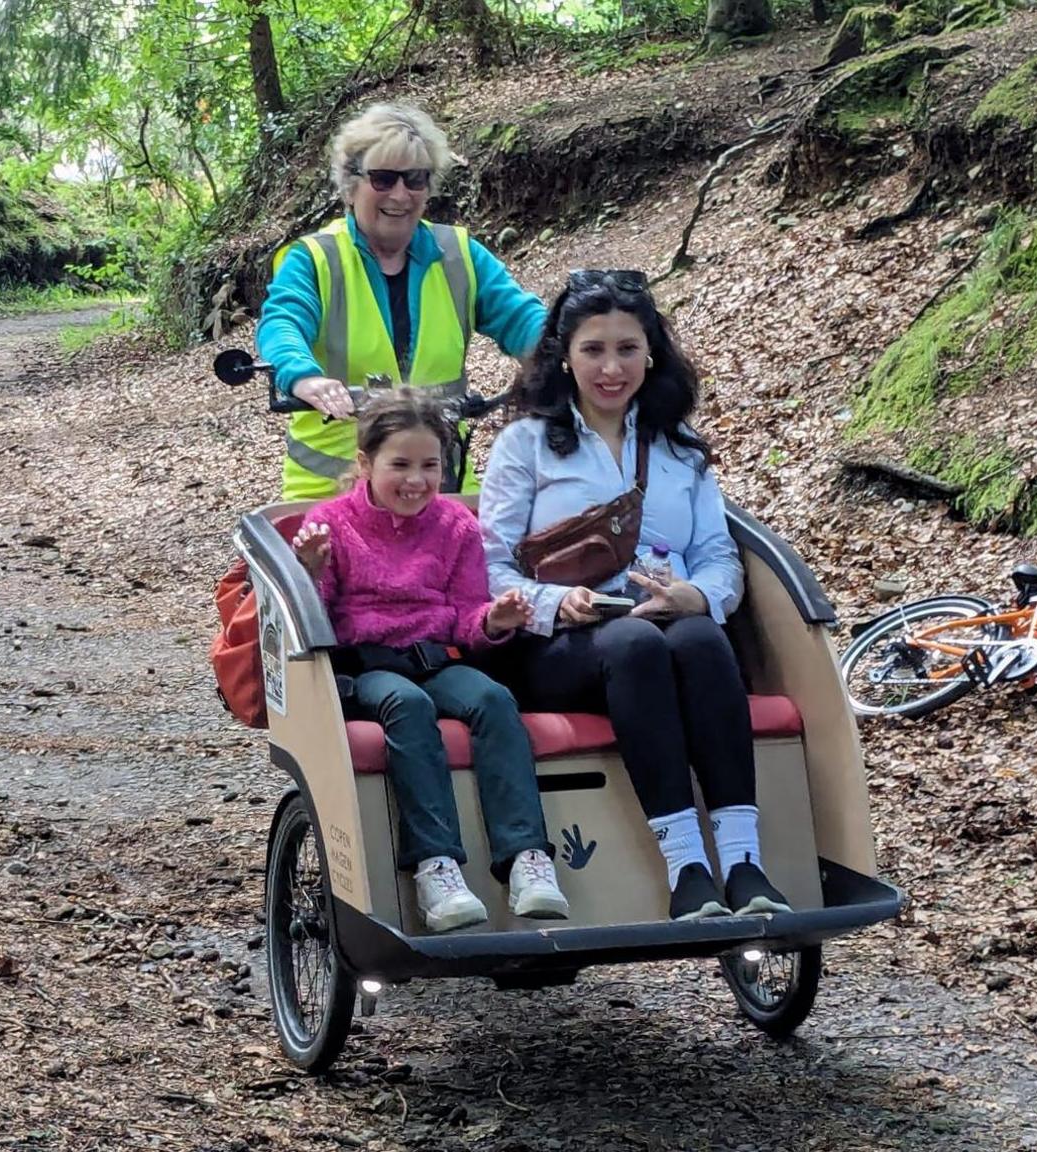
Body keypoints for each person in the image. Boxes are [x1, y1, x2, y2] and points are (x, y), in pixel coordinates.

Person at [477, 270, 790, 923]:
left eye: (627, 349)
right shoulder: (525, 445)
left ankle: (742, 862)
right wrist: (554, 604)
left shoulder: (681, 450)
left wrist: (696, 598)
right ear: (564, 355)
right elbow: (489, 566)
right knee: (636, 643)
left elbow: (717, 556)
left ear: (652, 353)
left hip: (666, 630)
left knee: (701, 637)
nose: (611, 368)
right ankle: (687, 871)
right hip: (559, 648)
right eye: (594, 350)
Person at [292, 399, 569, 933]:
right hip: (369, 665)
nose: (416, 481)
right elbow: (315, 617)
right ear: (366, 462)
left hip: (439, 657)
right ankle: (434, 865)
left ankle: (526, 858)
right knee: (407, 704)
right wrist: (311, 570)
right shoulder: (331, 523)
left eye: (430, 466)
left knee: (492, 699)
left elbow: (467, 617)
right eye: (400, 465)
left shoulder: (455, 527)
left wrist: (494, 619)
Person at [256, 103, 547, 500]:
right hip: (329, 494)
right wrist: (304, 375)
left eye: (415, 179)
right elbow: (282, 322)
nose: (400, 194)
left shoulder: (460, 254)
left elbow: (522, 320)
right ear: (351, 184)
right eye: (383, 178)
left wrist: (573, 351)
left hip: (436, 483)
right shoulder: (315, 258)